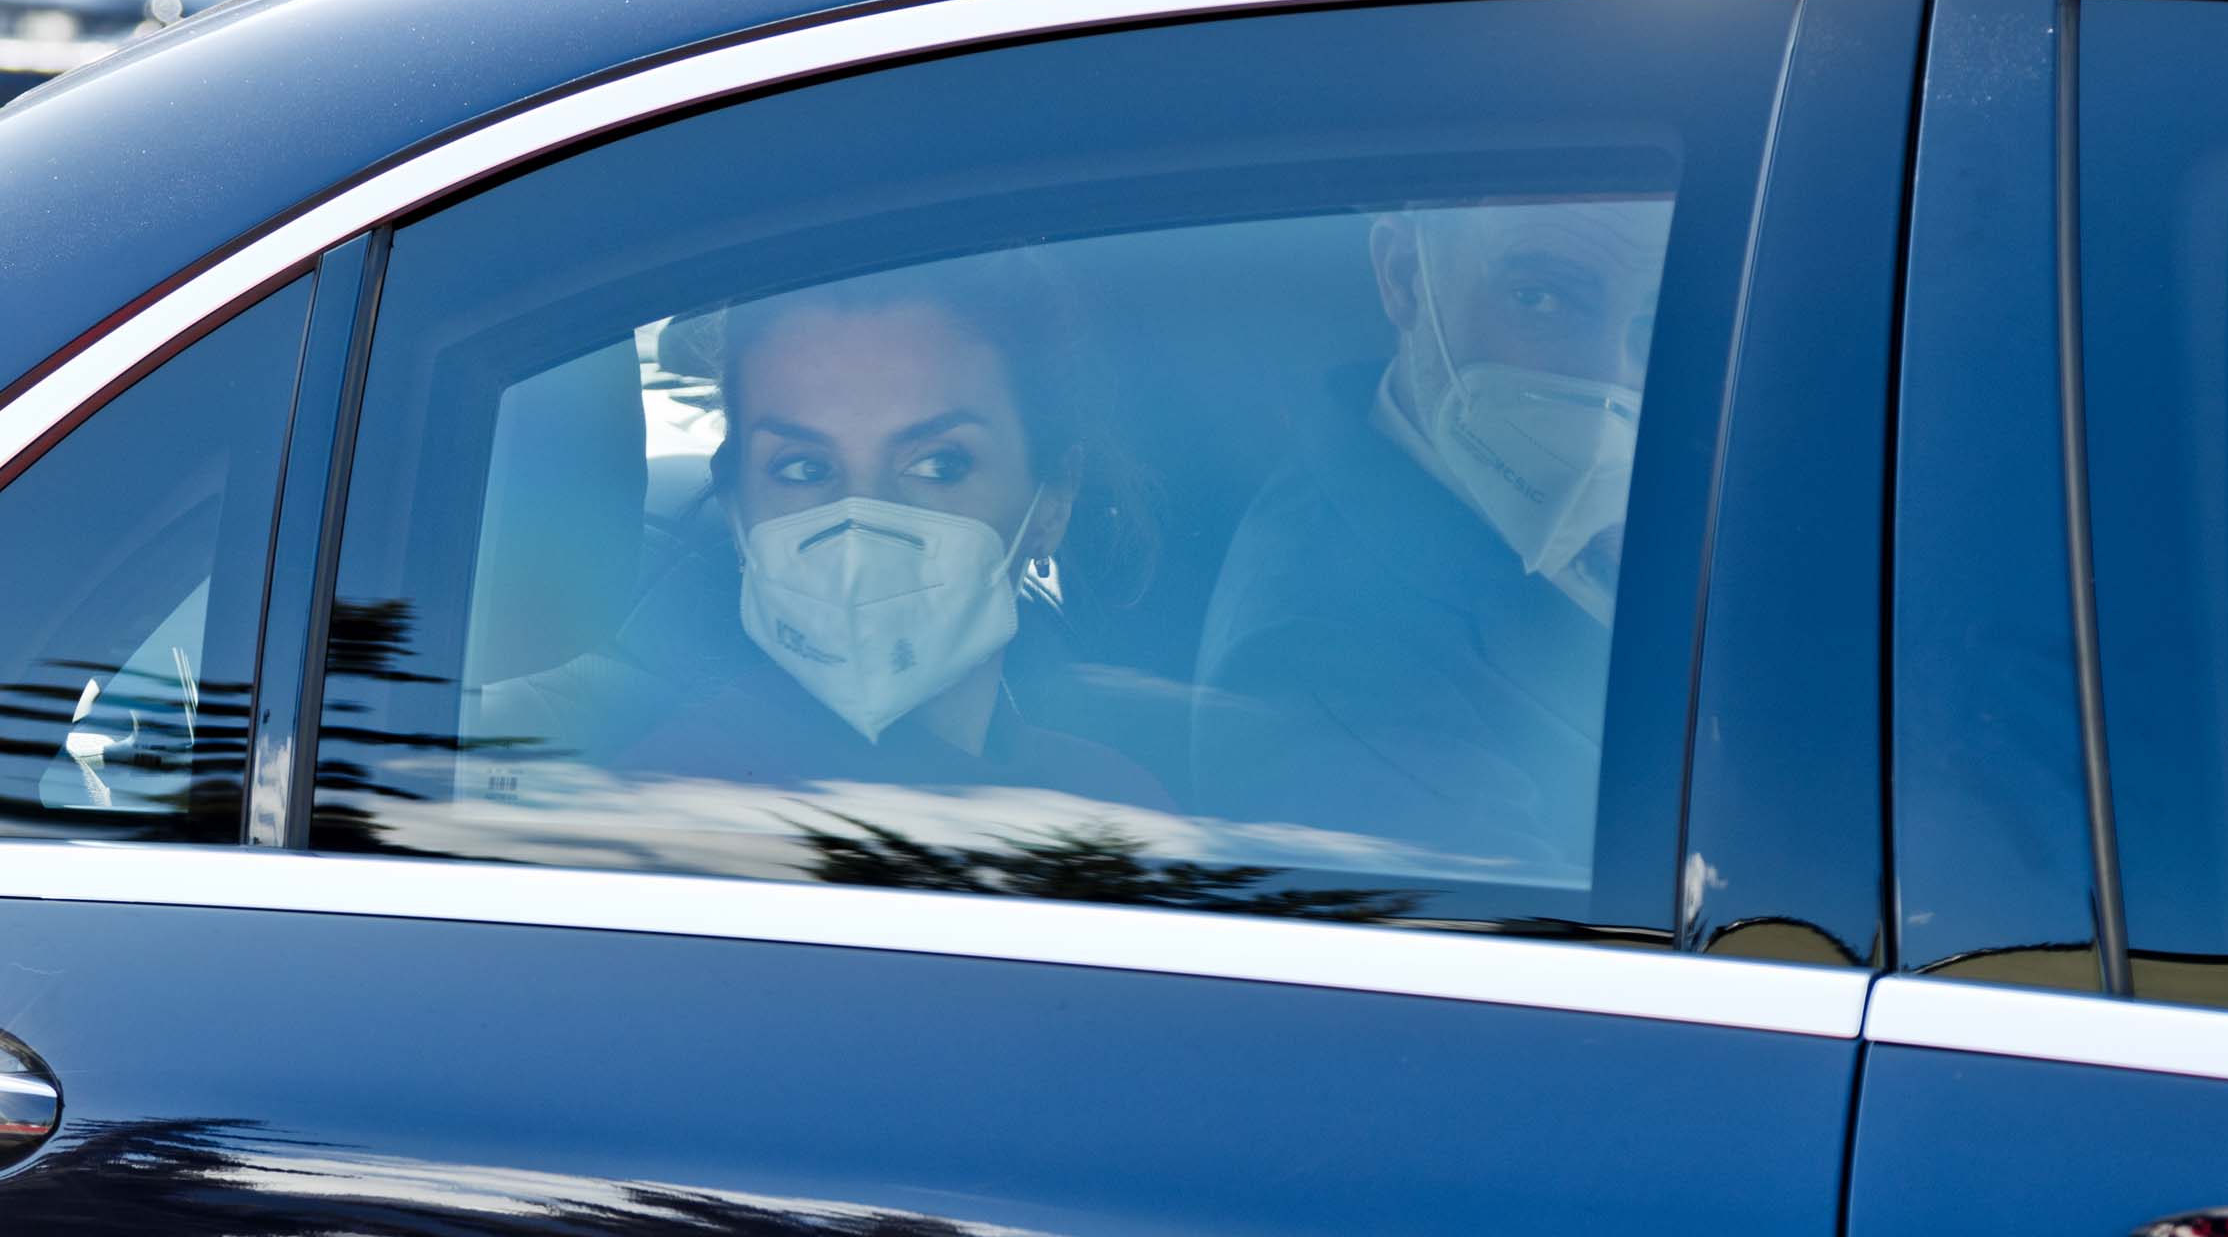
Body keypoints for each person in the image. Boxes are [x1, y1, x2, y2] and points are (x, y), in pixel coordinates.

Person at [1191, 196, 1673, 874]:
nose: (1609, 377)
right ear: (1403, 275)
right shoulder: (1324, 662)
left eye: (1653, 319)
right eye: (1538, 299)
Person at [621, 253, 1166, 811]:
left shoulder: (1117, 805)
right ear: (737, 508)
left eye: (938, 465)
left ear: (1052, 503)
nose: (861, 531)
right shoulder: (673, 811)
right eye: (805, 468)